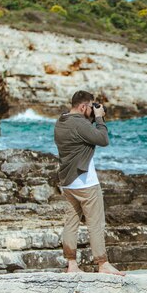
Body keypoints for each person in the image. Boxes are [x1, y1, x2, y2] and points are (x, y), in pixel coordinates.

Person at [53, 90, 125, 276]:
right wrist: (99, 118)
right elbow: (103, 139)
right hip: (86, 182)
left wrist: (92, 119)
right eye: (90, 107)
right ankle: (103, 264)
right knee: (96, 223)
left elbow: (82, 133)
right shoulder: (80, 124)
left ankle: (71, 265)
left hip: (68, 182)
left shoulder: (62, 121)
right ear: (83, 106)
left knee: (71, 223)